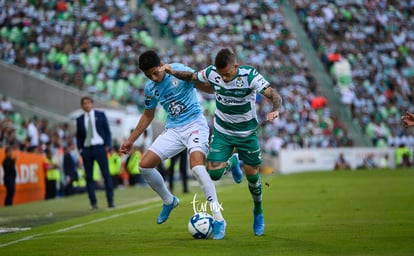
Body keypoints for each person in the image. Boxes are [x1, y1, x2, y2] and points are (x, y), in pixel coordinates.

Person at [164, 47, 283, 236]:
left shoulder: (250, 76)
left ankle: (258, 210)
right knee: (214, 174)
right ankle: (232, 161)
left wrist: (276, 109)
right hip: (222, 131)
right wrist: (172, 72)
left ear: (236, 66)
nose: (224, 79)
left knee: (253, 178)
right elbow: (192, 77)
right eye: (221, 75)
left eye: (227, 74)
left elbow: (274, 95)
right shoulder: (212, 72)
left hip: (247, 133)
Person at [119, 50, 229, 239]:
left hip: (195, 124)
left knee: (197, 168)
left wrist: (218, 85)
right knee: (144, 167)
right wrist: (130, 140)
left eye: (155, 72)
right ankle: (169, 201)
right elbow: (148, 115)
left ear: (162, 64)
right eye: (148, 75)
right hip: (174, 130)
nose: (153, 78)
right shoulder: (150, 88)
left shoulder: (178, 70)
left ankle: (219, 219)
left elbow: (207, 88)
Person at [76, 96, 114, 209]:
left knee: (106, 174)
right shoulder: (79, 119)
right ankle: (93, 202)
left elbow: (107, 132)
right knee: (89, 177)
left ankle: (110, 200)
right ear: (82, 106)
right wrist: (80, 149)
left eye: (88, 103)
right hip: (87, 149)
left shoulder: (100, 115)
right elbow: (79, 136)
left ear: (92, 104)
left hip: (99, 148)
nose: (87, 105)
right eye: (84, 103)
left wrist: (107, 146)